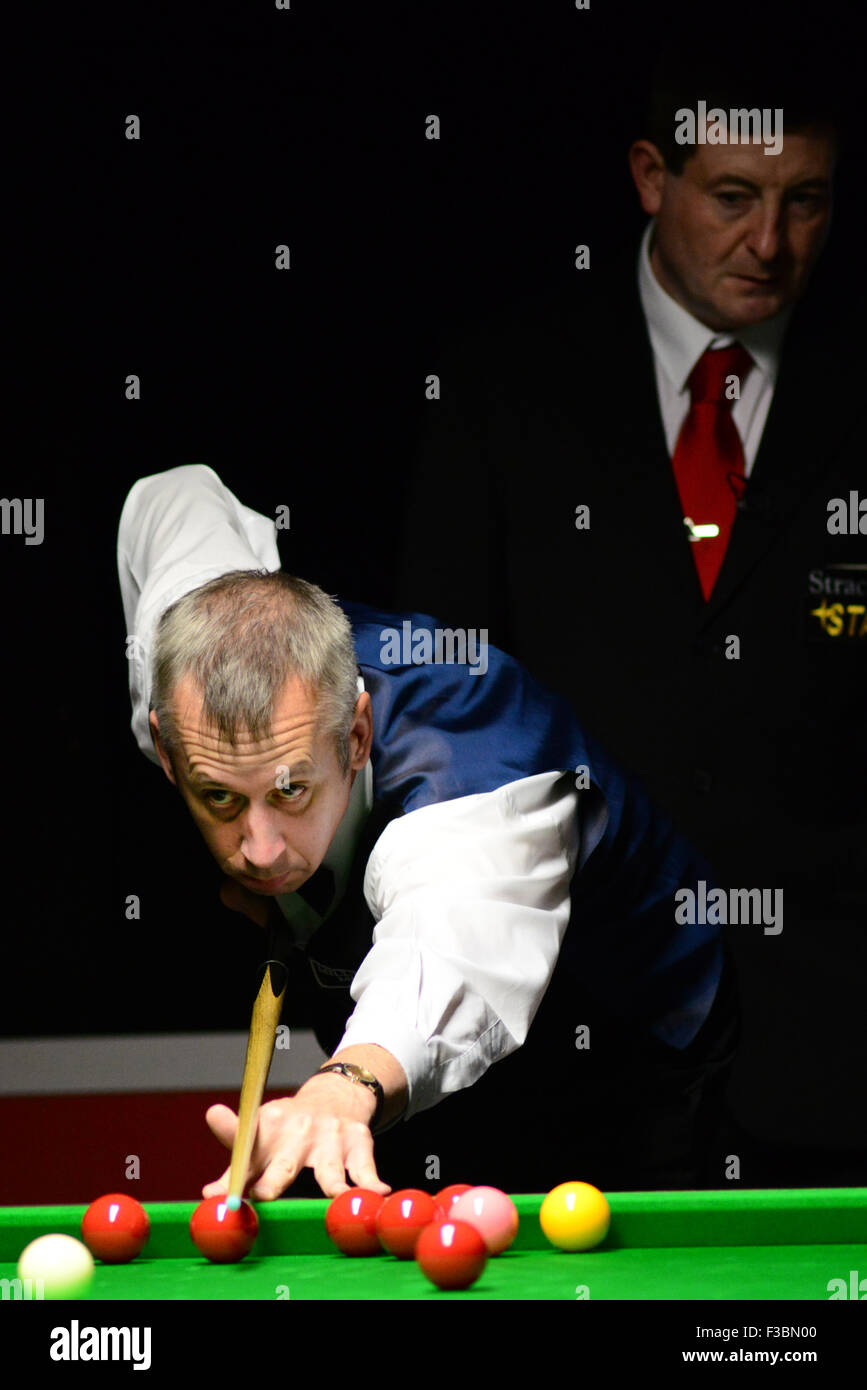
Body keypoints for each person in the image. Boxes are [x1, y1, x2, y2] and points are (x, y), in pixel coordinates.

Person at [396, 37, 866, 1184]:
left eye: (806, 202)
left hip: (833, 1050)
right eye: (736, 197)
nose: (771, 243)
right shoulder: (504, 387)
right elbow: (434, 699)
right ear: (653, 177)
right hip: (572, 1038)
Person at [118, 463, 737, 1199]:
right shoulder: (178, 656)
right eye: (218, 797)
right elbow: (171, 494)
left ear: (355, 734)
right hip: (394, 1073)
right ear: (164, 745)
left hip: (623, 1045)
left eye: (290, 790)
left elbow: (449, 944)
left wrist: (343, 1085)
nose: (259, 849)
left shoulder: (471, 773)